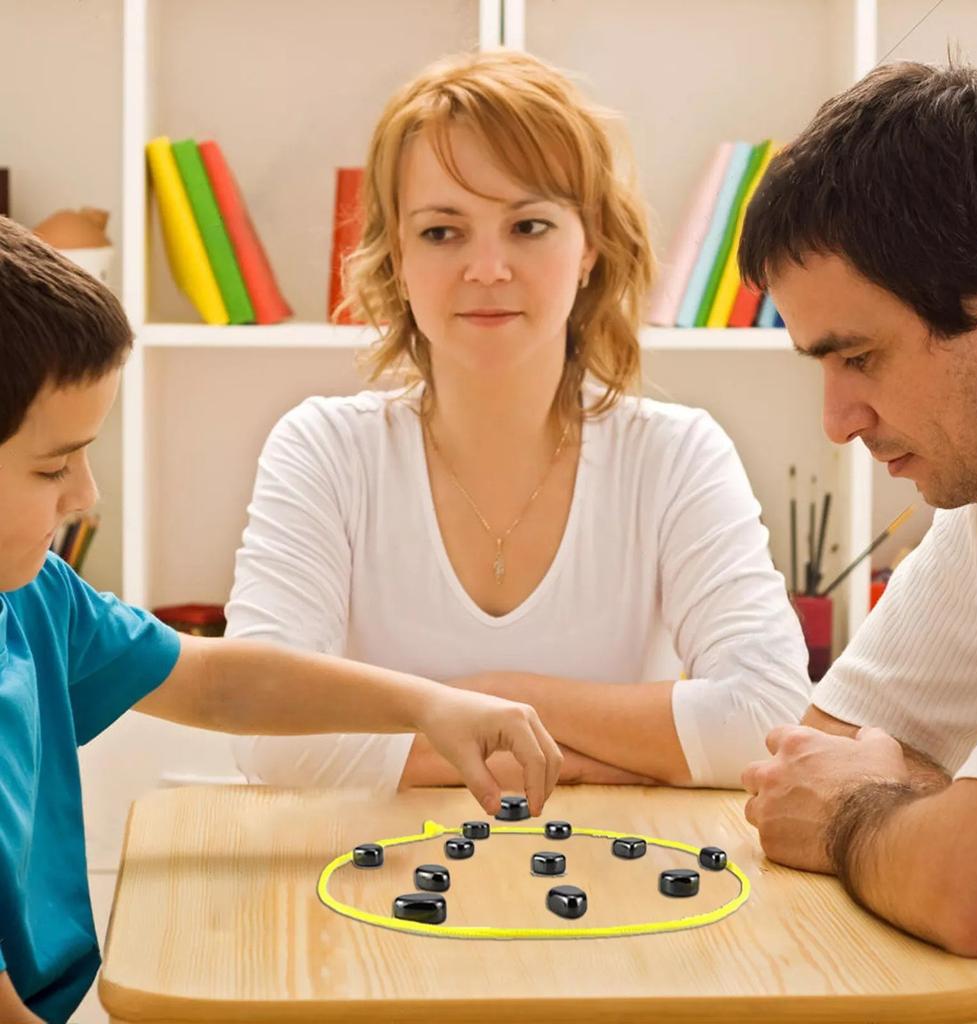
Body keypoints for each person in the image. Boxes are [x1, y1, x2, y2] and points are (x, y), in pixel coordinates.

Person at [0, 216, 561, 1023]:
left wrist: (429, 705)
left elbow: (215, 681)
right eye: (53, 465)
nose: (85, 495)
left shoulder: (37, 596)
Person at [225, 49, 811, 796]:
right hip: (373, 883)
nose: (488, 268)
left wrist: (487, 694)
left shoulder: (677, 455)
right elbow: (267, 732)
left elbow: (767, 713)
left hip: (613, 880)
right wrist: (605, 757)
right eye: (443, 232)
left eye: (529, 226)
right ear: (397, 257)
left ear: (590, 246)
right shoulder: (323, 451)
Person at [737, 60, 977, 957]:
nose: (837, 422)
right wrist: (918, 816)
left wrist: (861, 815)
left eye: (859, 357)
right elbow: (811, 761)